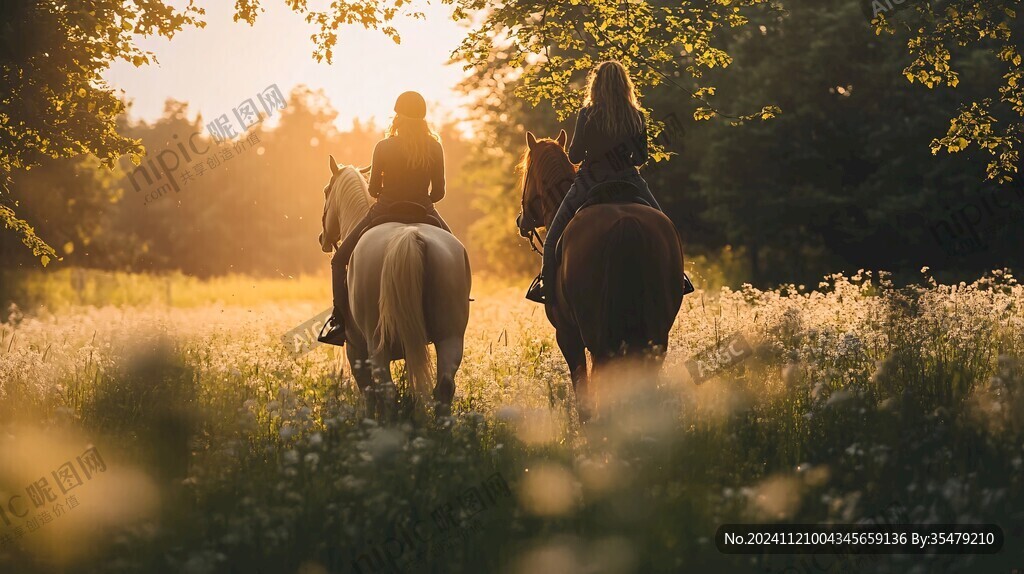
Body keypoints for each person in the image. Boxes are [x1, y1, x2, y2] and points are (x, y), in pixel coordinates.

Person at [319, 91, 451, 346]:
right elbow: (439, 192)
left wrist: (382, 192)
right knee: (456, 250)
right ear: (423, 118)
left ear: (398, 116)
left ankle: (338, 321)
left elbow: (372, 191)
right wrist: (423, 198)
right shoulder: (434, 147)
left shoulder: (383, 146)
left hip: (384, 210)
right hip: (424, 210)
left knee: (338, 261)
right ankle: (456, 303)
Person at [526, 60, 663, 304]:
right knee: (665, 227)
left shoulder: (587, 114)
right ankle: (678, 278)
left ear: (596, 84)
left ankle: (546, 286)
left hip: (590, 181)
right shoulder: (637, 116)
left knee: (553, 237)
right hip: (629, 178)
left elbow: (576, 156)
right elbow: (641, 158)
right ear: (625, 84)